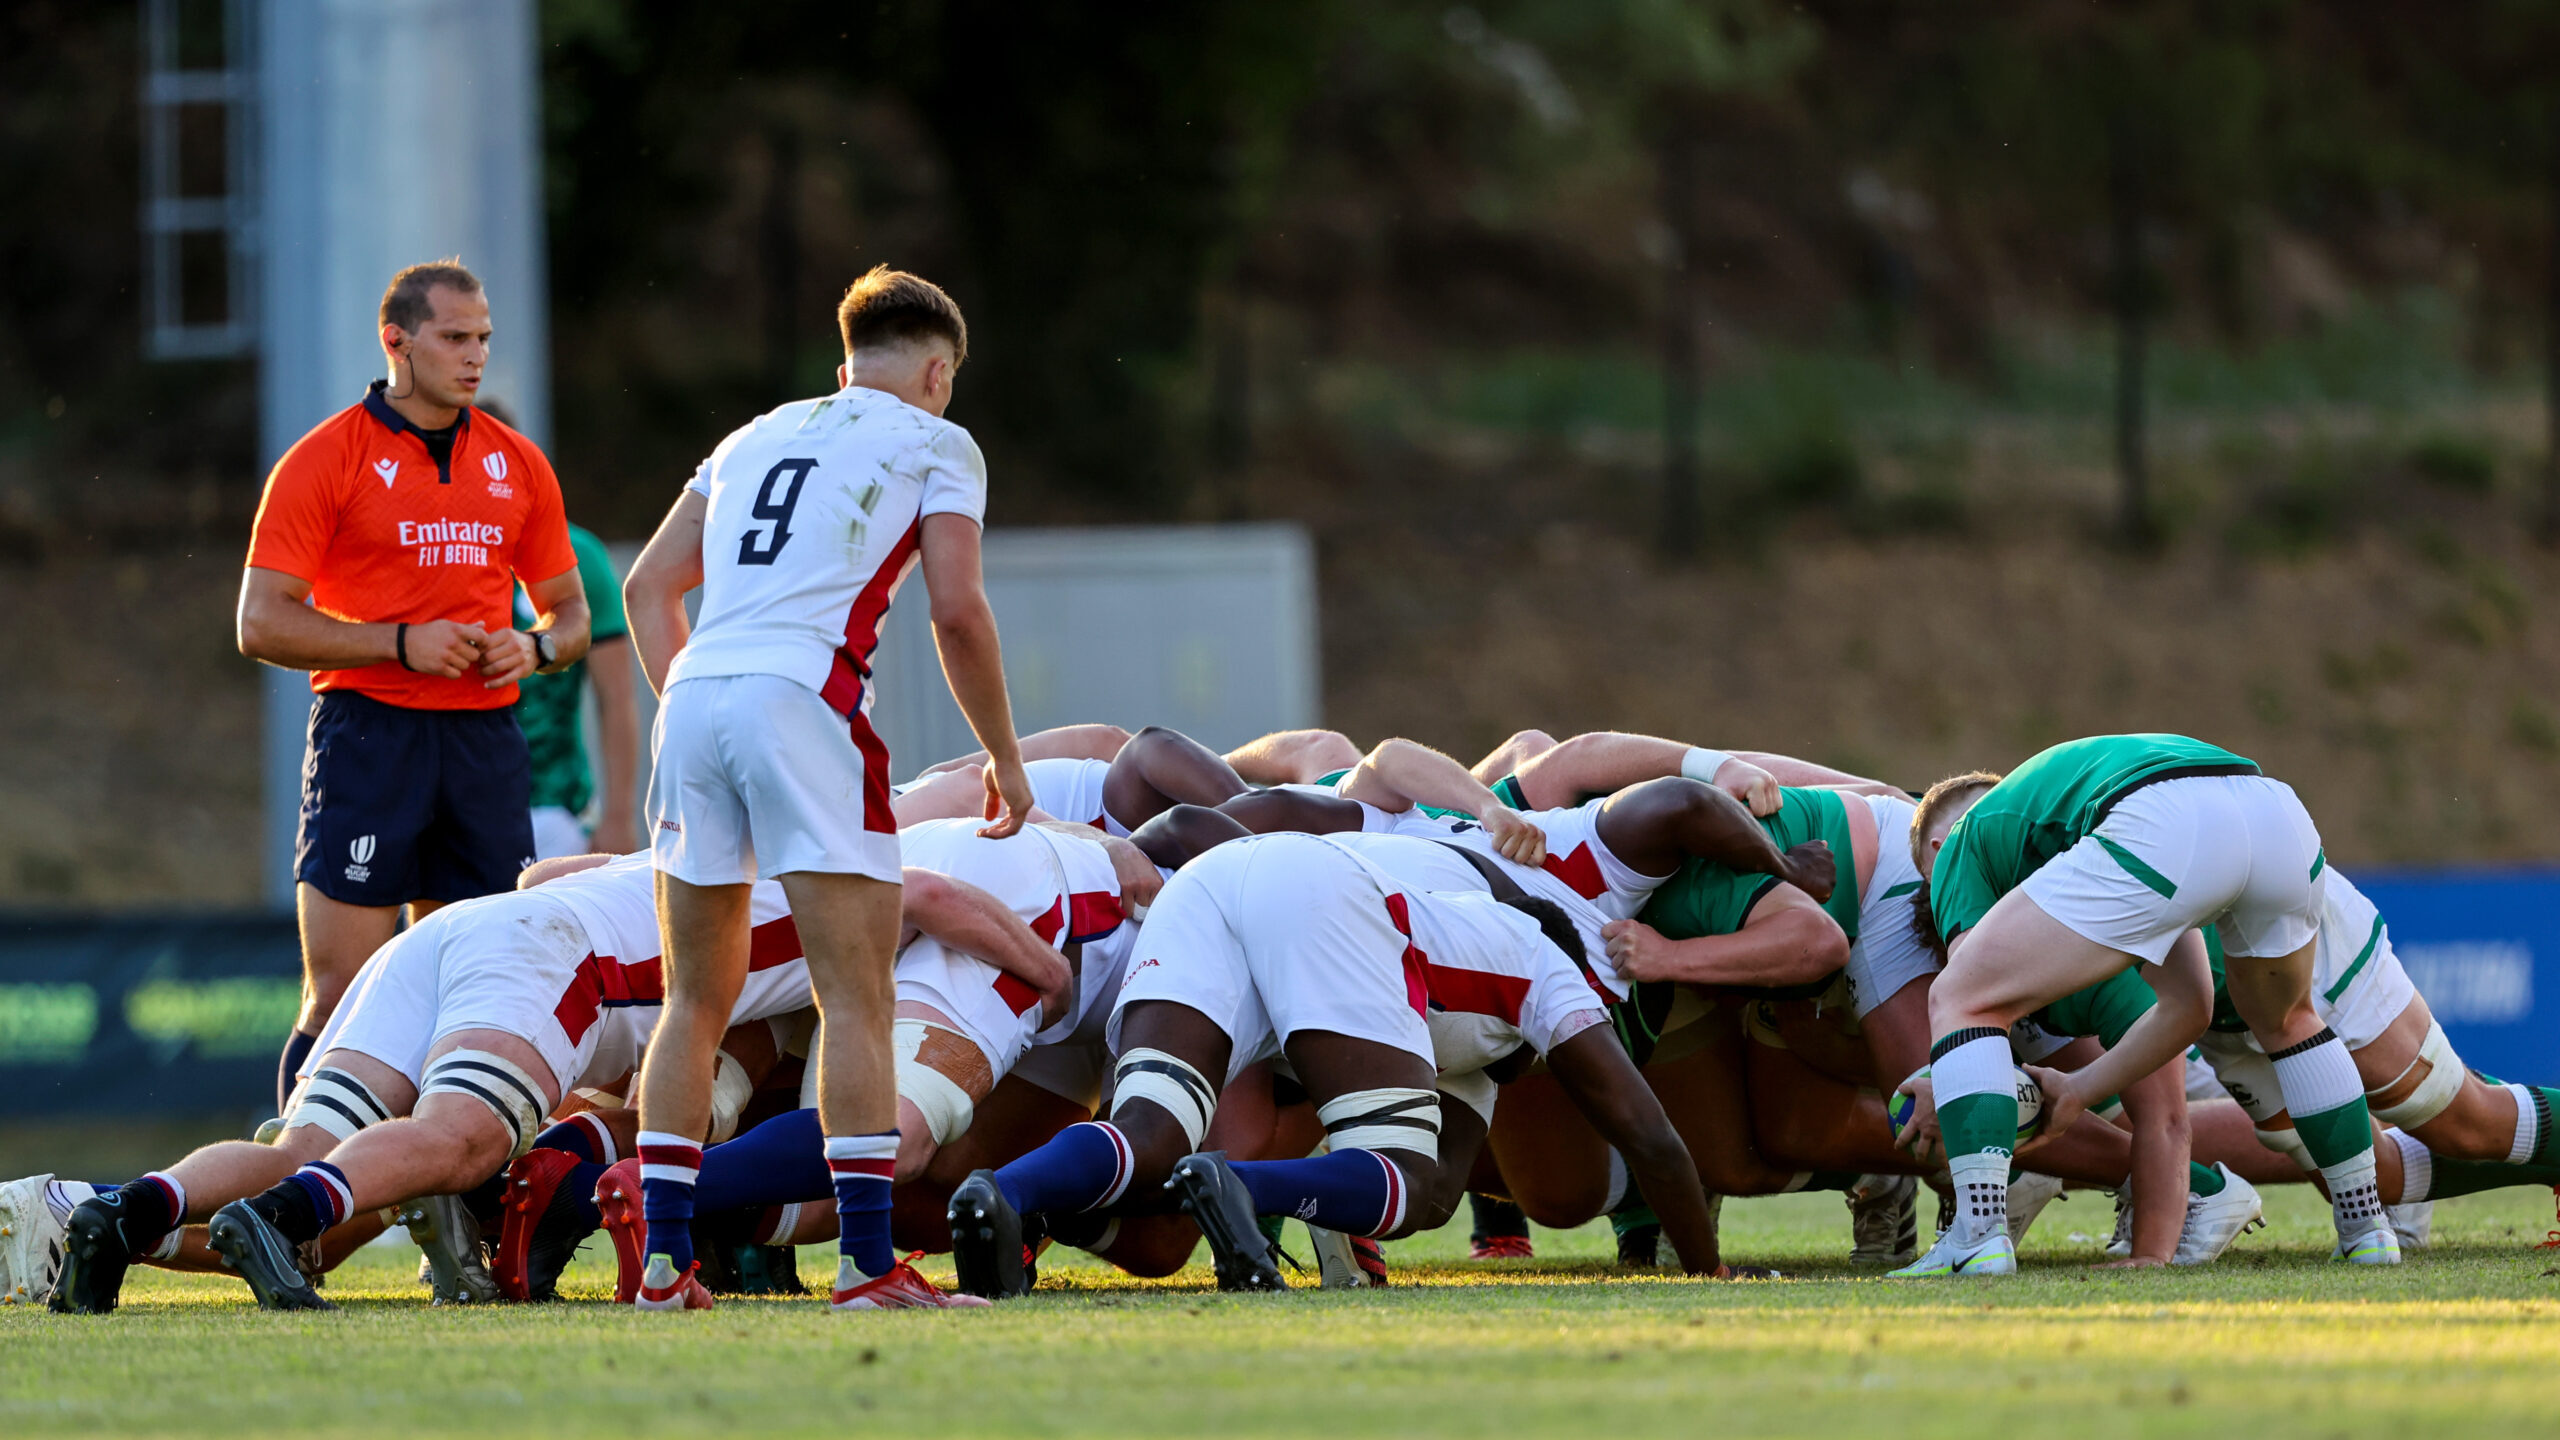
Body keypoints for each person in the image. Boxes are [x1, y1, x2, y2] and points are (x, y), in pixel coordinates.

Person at [620, 265, 1032, 1312]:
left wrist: (704, 704)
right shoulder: (938, 442)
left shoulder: (751, 435)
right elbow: (957, 611)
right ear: (938, 371)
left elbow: (646, 586)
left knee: (694, 1000)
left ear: (842, 363)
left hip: (696, 695)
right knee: (856, 994)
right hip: (802, 698)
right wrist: (1004, 754)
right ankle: (863, 1265)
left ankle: (663, 1267)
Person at [238, 260, 590, 1117]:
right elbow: (260, 622)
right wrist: (398, 643)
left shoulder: (517, 463)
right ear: (395, 341)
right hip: (370, 738)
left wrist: (533, 651)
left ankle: (454, 1226)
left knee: (480, 997)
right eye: (455, 338)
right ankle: (301, 1218)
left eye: (484, 340)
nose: (476, 358)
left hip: (483, 747)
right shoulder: (326, 458)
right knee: (343, 996)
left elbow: (572, 616)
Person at [1896, 737, 2389, 1278]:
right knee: (2290, 1021)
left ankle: (1977, 1235)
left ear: (1936, 852)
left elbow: (1977, 993)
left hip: (2159, 818)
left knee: (1957, 997)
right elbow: (2190, 1007)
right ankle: (2367, 1230)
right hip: (2272, 807)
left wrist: (1947, 1077)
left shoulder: (1960, 844)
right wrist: (2079, 1090)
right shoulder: (2066, 828)